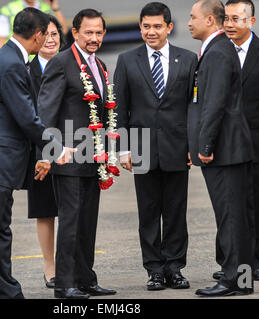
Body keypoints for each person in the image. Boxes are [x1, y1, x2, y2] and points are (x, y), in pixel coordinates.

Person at [0, 8, 72, 299]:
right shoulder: (13, 64)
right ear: (38, 35)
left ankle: (7, 290)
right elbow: (27, 118)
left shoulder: (10, 57)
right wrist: (54, 148)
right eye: (46, 35)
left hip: (0, 158)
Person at [114, 2, 197, 291]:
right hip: (141, 148)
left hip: (177, 147)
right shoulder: (127, 60)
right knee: (148, 212)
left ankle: (175, 267)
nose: (151, 31)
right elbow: (120, 108)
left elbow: (192, 106)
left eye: (157, 26)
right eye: (146, 26)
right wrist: (123, 149)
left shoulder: (188, 59)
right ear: (140, 28)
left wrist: (192, 144)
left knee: (176, 210)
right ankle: (155, 270)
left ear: (169, 28)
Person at [37, 9, 117, 299]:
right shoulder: (61, 63)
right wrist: (48, 153)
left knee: (87, 222)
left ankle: (86, 279)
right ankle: (65, 283)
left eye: (98, 33)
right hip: (68, 158)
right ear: (75, 33)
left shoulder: (101, 65)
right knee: (69, 221)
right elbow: (46, 112)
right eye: (88, 33)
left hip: (93, 159)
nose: (94, 38)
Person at [211, 0, 259, 282]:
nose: (230, 24)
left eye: (236, 19)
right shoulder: (215, 51)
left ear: (251, 22)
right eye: (227, 19)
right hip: (225, 144)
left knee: (257, 202)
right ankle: (228, 261)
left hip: (258, 143)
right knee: (228, 205)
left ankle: (258, 260)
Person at [187, 0, 255, 297]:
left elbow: (213, 104)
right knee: (235, 216)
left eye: (193, 17)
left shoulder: (216, 53)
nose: (189, 22)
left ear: (210, 21)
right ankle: (243, 281)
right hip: (230, 148)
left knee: (230, 216)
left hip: (224, 149)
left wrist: (204, 144)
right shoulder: (219, 50)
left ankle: (232, 279)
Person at [27, 15, 64, 289]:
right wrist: (44, 153)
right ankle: (49, 266)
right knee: (45, 209)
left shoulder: (71, 65)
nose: (51, 39)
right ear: (36, 37)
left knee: (75, 209)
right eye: (46, 34)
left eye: (55, 34)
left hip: (73, 145)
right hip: (40, 150)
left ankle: (74, 264)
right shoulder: (26, 71)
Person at [0, 0, 68, 60]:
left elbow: (63, 30)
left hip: (47, 61)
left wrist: (54, 7)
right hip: (21, 62)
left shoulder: (46, 7)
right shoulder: (9, 10)